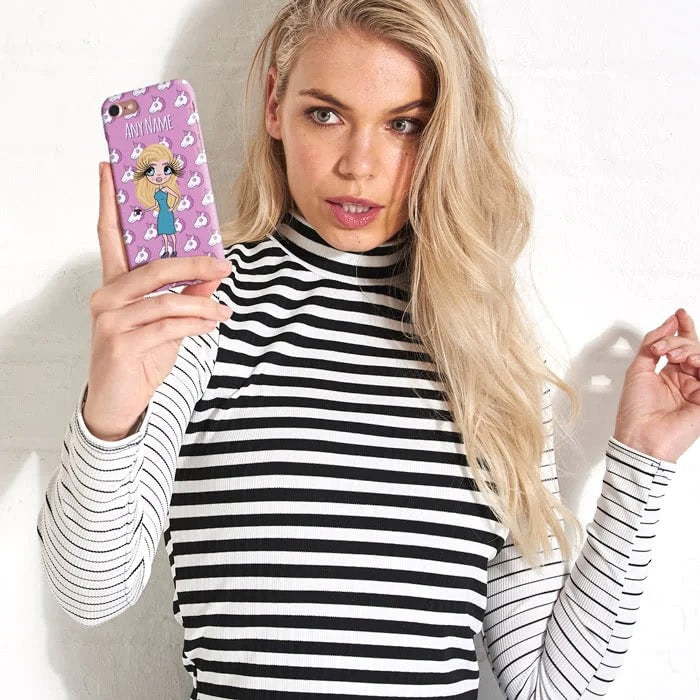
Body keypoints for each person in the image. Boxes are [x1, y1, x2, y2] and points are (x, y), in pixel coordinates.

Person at [37, 1, 699, 698]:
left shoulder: (487, 353)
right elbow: (90, 590)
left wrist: (642, 460)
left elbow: (551, 688)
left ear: (446, 134)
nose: (359, 165)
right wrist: (111, 408)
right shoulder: (203, 309)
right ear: (275, 105)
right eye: (326, 114)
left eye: (404, 125)